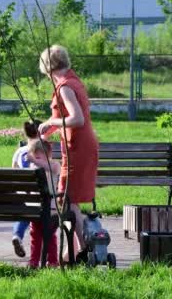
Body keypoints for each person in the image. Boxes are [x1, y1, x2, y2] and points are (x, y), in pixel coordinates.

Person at [37, 44, 99, 263]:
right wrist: (48, 131)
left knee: (66, 199)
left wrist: (51, 121)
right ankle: (74, 251)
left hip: (78, 147)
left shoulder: (64, 86)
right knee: (70, 201)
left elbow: (77, 119)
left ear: (47, 67)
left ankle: (82, 249)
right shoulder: (73, 80)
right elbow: (68, 118)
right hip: (81, 145)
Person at [25, 138, 61, 268]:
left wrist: (34, 161)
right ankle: (34, 260)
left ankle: (52, 261)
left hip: (50, 208)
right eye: (35, 158)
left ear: (49, 155)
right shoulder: (34, 167)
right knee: (35, 236)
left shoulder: (54, 165)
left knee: (50, 236)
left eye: (39, 158)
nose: (37, 161)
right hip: (36, 208)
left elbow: (49, 167)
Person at [10, 120, 42, 258]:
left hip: (23, 196)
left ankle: (17, 235)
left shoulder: (19, 151)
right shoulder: (43, 151)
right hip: (40, 196)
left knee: (24, 213)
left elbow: (13, 171)